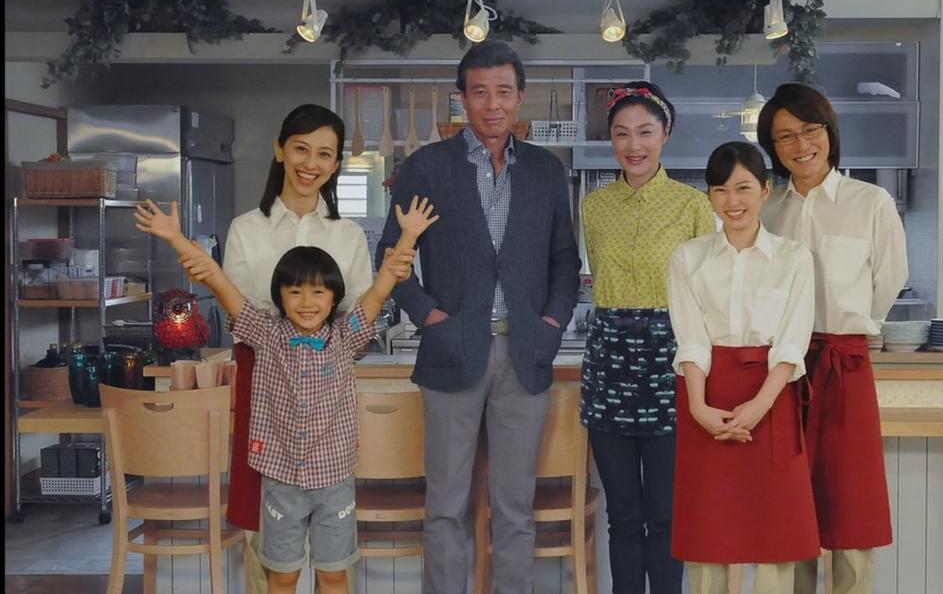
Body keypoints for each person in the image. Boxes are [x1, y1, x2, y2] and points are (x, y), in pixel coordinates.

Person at [135, 196, 436, 594]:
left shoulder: (345, 337)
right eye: (295, 292)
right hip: (280, 481)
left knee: (333, 575)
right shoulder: (265, 334)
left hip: (334, 481)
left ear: (334, 298)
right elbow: (217, 281)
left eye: (318, 293)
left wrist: (409, 236)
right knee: (282, 576)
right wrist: (175, 238)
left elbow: (381, 288)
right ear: (280, 296)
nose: (307, 303)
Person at [376, 40, 581, 594]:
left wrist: (552, 324)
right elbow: (392, 255)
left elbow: (565, 259)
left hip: (525, 354)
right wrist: (428, 316)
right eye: (481, 92)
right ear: (461, 98)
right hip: (450, 351)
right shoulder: (426, 167)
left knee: (515, 505)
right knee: (445, 505)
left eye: (504, 92)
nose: (493, 105)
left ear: (520, 98)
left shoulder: (545, 171)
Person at [757, 83, 908, 594]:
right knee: (790, 499)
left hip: (844, 364)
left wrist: (851, 327)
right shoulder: (768, 212)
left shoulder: (871, 203)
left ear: (829, 132)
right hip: (782, 370)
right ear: (772, 147)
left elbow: (889, 281)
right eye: (785, 136)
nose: (800, 145)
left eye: (810, 130)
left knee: (851, 499)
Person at [221, 104, 374, 594]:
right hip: (262, 385)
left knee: (333, 552)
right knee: (262, 529)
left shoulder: (348, 235)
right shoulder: (246, 229)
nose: (311, 163)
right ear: (280, 150)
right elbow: (242, 316)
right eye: (301, 149)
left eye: (324, 154)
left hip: (327, 393)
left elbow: (357, 319)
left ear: (336, 163)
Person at [579, 80, 715, 593]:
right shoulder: (594, 206)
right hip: (608, 362)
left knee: (664, 512)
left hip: (670, 363)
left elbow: (708, 295)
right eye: (621, 134)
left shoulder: (694, 206)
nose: (633, 145)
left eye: (645, 132)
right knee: (622, 515)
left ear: (665, 134)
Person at [667, 142, 820, 594]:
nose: (732, 201)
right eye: (720, 190)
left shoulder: (794, 258)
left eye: (743, 188)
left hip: (772, 397)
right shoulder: (687, 257)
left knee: (777, 536)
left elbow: (791, 342)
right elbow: (692, 339)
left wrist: (759, 406)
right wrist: (698, 407)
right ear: (709, 197)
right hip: (706, 398)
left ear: (766, 190)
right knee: (707, 535)